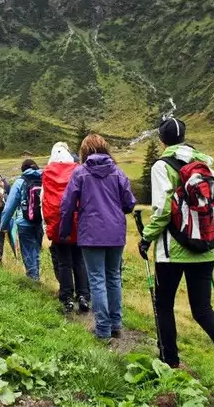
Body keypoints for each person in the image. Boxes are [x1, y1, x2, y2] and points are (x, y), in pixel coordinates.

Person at [138, 118, 214, 404]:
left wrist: (146, 238)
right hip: (205, 248)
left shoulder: (162, 166)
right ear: (185, 137)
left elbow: (162, 211)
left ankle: (170, 364)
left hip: (172, 252)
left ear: (162, 140)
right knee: (204, 311)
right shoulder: (205, 164)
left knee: (164, 305)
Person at [60, 134, 135, 340]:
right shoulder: (118, 173)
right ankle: (116, 323)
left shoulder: (80, 174)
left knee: (97, 279)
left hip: (91, 234)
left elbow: (67, 206)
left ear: (85, 152)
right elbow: (129, 203)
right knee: (114, 277)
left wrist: (65, 231)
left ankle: (102, 329)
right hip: (116, 234)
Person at [42, 142, 90, 314]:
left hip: (58, 223)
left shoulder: (47, 173)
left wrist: (47, 222)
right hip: (77, 221)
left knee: (64, 263)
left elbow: (44, 200)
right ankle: (84, 295)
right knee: (79, 260)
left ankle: (66, 297)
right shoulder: (78, 170)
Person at [0, 159, 44, 280]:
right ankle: (36, 277)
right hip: (39, 222)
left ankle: (33, 279)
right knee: (35, 251)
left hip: (24, 223)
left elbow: (9, 207)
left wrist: (3, 226)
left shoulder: (20, 182)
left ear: (23, 169)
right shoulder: (43, 180)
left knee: (28, 252)